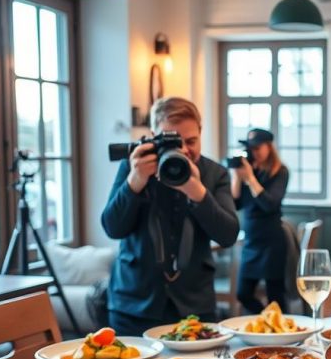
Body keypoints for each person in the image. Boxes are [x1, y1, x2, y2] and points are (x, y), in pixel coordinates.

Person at [101, 97, 240, 335]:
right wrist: (135, 182)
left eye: (191, 141)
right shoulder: (133, 166)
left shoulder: (215, 174)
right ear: (154, 135)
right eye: (174, 140)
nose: (184, 150)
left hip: (195, 306)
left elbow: (228, 235)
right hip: (133, 305)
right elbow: (113, 228)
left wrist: (196, 192)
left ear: (200, 133)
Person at [230, 128, 291, 314]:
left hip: (272, 243)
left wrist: (250, 178)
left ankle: (281, 332)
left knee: (276, 296)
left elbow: (269, 204)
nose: (253, 152)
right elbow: (235, 203)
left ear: (269, 147)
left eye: (257, 148)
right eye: (251, 148)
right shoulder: (248, 169)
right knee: (243, 294)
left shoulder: (280, 172)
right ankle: (266, 320)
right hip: (251, 242)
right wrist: (237, 177)